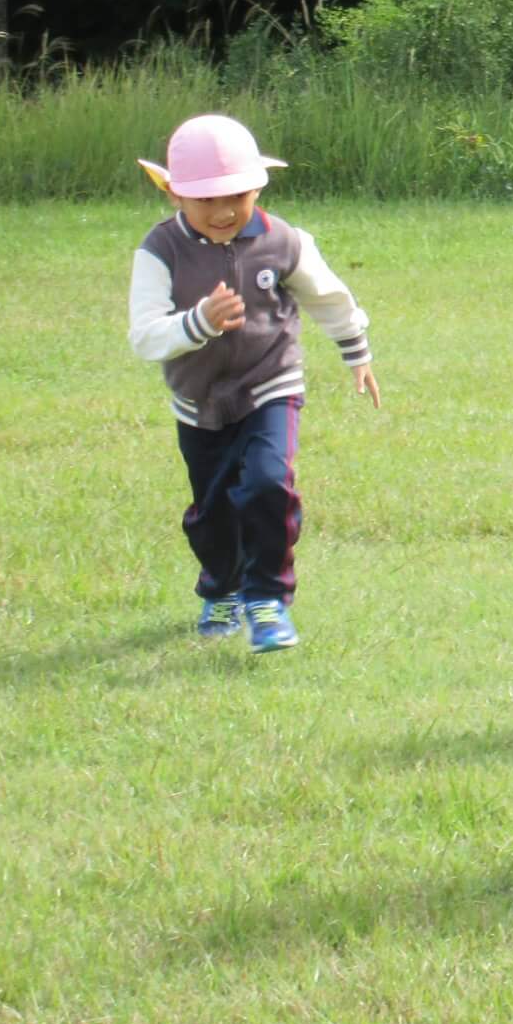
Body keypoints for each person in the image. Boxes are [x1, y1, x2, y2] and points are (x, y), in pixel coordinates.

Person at [127, 115, 381, 653]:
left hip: (271, 382)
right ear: (173, 193)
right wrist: (198, 322)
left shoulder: (282, 239)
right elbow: (145, 336)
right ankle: (222, 588)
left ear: (258, 186)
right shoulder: (159, 251)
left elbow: (326, 295)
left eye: (237, 196)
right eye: (205, 200)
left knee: (269, 483)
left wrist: (355, 349)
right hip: (198, 402)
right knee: (212, 511)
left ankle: (267, 599)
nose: (222, 212)